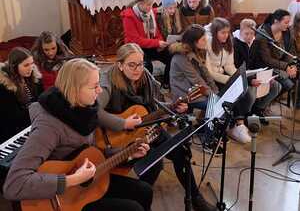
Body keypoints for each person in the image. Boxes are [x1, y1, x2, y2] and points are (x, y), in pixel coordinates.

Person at [3, 58, 152, 211]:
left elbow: (92, 154)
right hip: (60, 198)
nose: (100, 91)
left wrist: (128, 153)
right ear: (75, 90)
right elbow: (14, 184)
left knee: (144, 191)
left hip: (83, 183)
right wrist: (72, 180)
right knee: (132, 208)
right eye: (94, 86)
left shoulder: (86, 111)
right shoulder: (49, 127)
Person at [98, 43, 217, 211]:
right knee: (154, 164)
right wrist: (123, 123)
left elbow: (157, 106)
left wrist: (175, 106)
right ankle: (140, 201)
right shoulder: (108, 80)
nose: (137, 69)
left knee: (181, 152)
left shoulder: (145, 76)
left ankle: (195, 198)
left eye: (140, 64)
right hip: (117, 138)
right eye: (131, 65)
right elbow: (94, 111)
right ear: (120, 65)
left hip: (148, 129)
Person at [169, 24, 222, 154]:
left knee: (217, 101)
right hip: (184, 94)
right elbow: (196, 79)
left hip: (195, 90)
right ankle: (208, 143)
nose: (206, 41)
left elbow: (205, 74)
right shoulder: (181, 57)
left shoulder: (196, 51)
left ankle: (205, 130)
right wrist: (214, 97)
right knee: (214, 105)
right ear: (194, 41)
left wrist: (215, 91)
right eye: (203, 39)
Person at [206, 18, 253, 143]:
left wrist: (238, 77)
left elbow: (229, 66)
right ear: (215, 32)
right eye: (223, 33)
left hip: (224, 76)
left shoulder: (228, 43)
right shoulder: (208, 43)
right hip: (211, 79)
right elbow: (209, 72)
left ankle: (238, 125)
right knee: (230, 94)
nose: (226, 35)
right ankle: (225, 127)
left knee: (245, 92)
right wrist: (229, 80)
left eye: (227, 32)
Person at [233, 19, 281, 121]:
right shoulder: (235, 43)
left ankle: (257, 110)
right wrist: (251, 80)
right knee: (251, 93)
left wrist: (267, 76)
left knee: (276, 86)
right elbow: (237, 67)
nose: (249, 36)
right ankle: (244, 115)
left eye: (252, 33)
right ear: (240, 31)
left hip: (255, 76)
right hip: (241, 77)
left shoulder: (255, 42)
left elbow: (259, 63)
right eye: (246, 33)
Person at [122, 0, 171, 88]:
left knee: (172, 55)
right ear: (140, 4)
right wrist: (157, 43)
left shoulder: (150, 13)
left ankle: (166, 83)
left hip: (151, 45)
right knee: (147, 65)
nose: (151, 8)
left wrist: (160, 44)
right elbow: (135, 40)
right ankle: (146, 88)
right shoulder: (129, 16)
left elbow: (157, 32)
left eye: (152, 4)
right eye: (148, 5)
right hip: (136, 48)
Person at [0, 47, 43, 144]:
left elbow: (42, 100)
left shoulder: (35, 79)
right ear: (15, 67)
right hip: (15, 132)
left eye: (32, 64)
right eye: (26, 65)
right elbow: (12, 118)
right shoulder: (5, 88)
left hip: (35, 123)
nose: (31, 68)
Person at [249, 9, 296, 95]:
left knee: (294, 79)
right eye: (286, 22)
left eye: (289, 22)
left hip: (279, 66)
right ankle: (263, 105)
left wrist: (291, 65)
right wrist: (286, 67)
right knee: (287, 84)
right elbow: (267, 59)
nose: (288, 25)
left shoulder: (287, 33)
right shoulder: (262, 35)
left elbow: (289, 52)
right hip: (264, 67)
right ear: (276, 21)